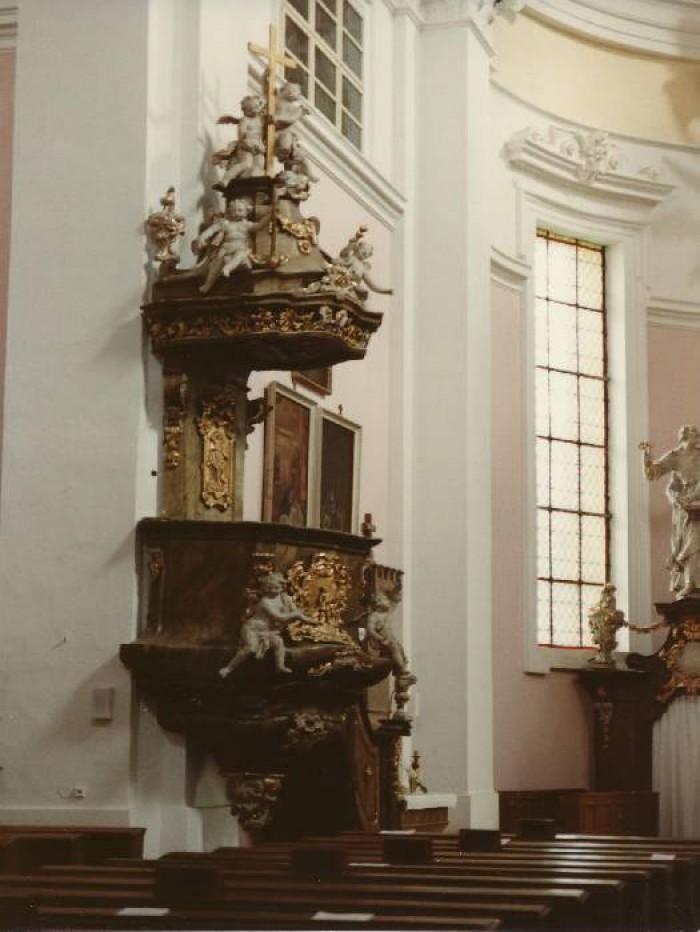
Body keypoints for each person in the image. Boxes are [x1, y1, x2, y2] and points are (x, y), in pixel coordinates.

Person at [641, 424, 700, 598]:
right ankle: (689, 582)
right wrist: (646, 457)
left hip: (696, 499)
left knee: (695, 538)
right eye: (694, 433)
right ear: (684, 437)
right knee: (688, 541)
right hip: (684, 507)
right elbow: (653, 473)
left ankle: (691, 583)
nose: (697, 436)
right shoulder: (675, 457)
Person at [219, 572, 312, 678]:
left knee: (279, 642)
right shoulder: (265, 601)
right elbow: (279, 617)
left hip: (268, 631)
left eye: (277, 588)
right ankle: (228, 668)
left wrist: (305, 618)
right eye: (270, 588)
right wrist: (297, 615)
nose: (274, 590)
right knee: (250, 649)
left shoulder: (284, 599)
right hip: (253, 629)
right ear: (265, 588)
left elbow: (295, 611)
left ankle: (280, 666)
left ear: (282, 587)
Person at [192, 198, 269, 294]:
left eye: (240, 210)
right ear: (230, 211)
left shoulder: (246, 224)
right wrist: (202, 237)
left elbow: (259, 226)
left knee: (240, 254)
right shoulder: (225, 223)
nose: (236, 213)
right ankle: (207, 284)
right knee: (217, 263)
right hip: (226, 247)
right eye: (234, 210)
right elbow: (211, 230)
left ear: (246, 212)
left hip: (241, 247)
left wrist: (270, 216)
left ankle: (228, 268)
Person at [213, 94, 266, 187]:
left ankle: (248, 178)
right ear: (245, 110)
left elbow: (264, 105)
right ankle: (225, 180)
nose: (254, 111)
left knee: (260, 164)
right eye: (249, 109)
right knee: (246, 164)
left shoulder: (259, 119)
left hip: (258, 147)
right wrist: (249, 146)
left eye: (256, 107)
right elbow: (242, 136)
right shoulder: (244, 120)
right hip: (245, 147)